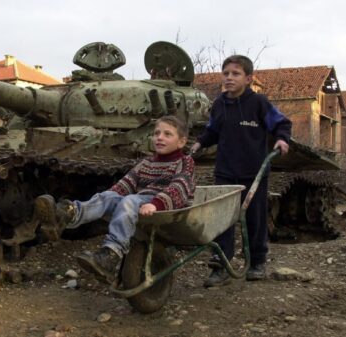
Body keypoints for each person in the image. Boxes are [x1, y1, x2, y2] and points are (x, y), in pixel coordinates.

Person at [33, 116, 195, 284]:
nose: (160, 137)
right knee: (109, 196)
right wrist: (108, 199)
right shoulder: (147, 162)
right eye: (157, 133)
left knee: (130, 200)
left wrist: (156, 204)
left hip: (167, 206)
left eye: (167, 134)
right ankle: (67, 215)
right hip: (141, 203)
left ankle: (112, 254)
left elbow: (179, 188)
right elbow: (126, 183)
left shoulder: (184, 162)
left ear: (181, 142)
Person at [190, 55, 291, 287]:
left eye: (235, 74)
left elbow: (282, 123)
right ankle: (221, 264)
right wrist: (200, 143)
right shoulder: (219, 105)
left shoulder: (258, 103)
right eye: (225, 73)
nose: (229, 78)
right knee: (222, 220)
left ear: (248, 79)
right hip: (225, 171)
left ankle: (257, 262)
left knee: (255, 219)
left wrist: (282, 140)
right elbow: (212, 130)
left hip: (254, 172)